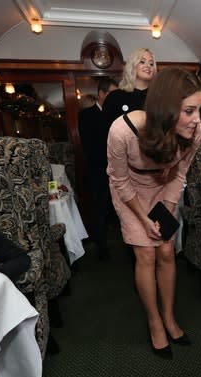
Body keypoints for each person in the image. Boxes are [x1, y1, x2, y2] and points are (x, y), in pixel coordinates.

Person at [106, 67, 201, 359]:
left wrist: (166, 213)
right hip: (129, 192)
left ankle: (170, 317)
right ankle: (154, 323)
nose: (198, 119)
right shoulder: (121, 131)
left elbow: (180, 174)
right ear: (166, 108)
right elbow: (120, 180)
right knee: (146, 254)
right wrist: (143, 218)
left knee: (166, 249)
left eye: (199, 109)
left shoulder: (194, 133)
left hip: (164, 187)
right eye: (190, 110)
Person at [78, 76, 118, 260]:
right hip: (98, 172)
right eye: (112, 93)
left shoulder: (117, 115)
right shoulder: (86, 115)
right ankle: (102, 249)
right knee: (100, 210)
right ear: (101, 94)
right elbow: (90, 147)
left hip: (119, 173)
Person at [103, 47, 156, 131]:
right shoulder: (115, 97)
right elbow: (107, 131)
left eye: (151, 64)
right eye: (142, 62)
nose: (148, 66)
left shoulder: (159, 97)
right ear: (132, 66)